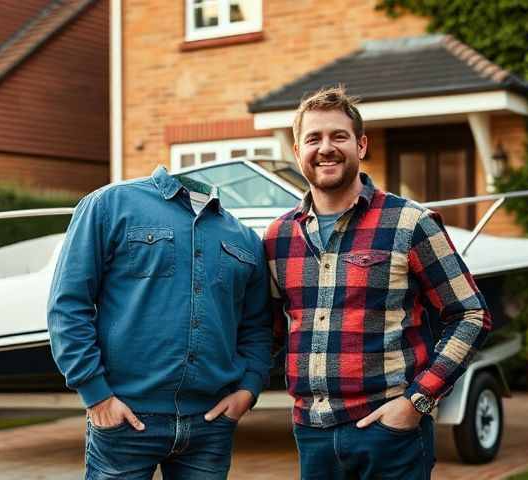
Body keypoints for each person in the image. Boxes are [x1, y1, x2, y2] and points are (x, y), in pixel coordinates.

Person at [263, 86, 492, 479]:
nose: (326, 148)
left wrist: (416, 402)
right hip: (312, 435)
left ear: (361, 145)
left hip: (390, 432)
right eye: (313, 139)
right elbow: (268, 332)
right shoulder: (278, 237)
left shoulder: (410, 223)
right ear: (297, 151)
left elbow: (470, 315)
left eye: (339, 136)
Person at [48, 167, 272, 479]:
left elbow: (258, 327)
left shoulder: (244, 238)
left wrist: (249, 389)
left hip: (210, 428)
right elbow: (68, 305)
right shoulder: (109, 205)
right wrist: (96, 395)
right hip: (124, 419)